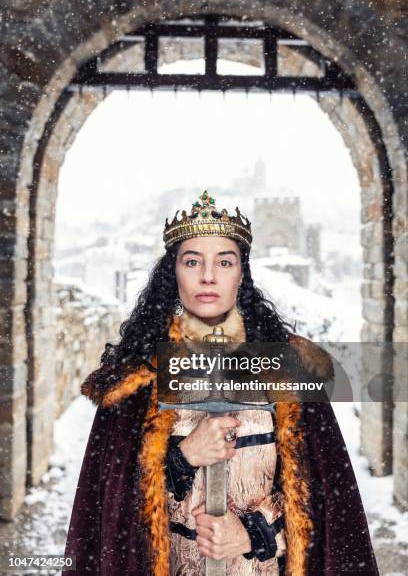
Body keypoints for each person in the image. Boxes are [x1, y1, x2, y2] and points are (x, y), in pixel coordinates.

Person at [64, 190, 379, 575]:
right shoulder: (137, 376)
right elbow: (110, 509)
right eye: (192, 261)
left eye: (224, 262)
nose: (208, 276)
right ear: (173, 272)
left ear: (242, 273)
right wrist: (181, 459)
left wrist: (255, 533)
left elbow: (327, 501)